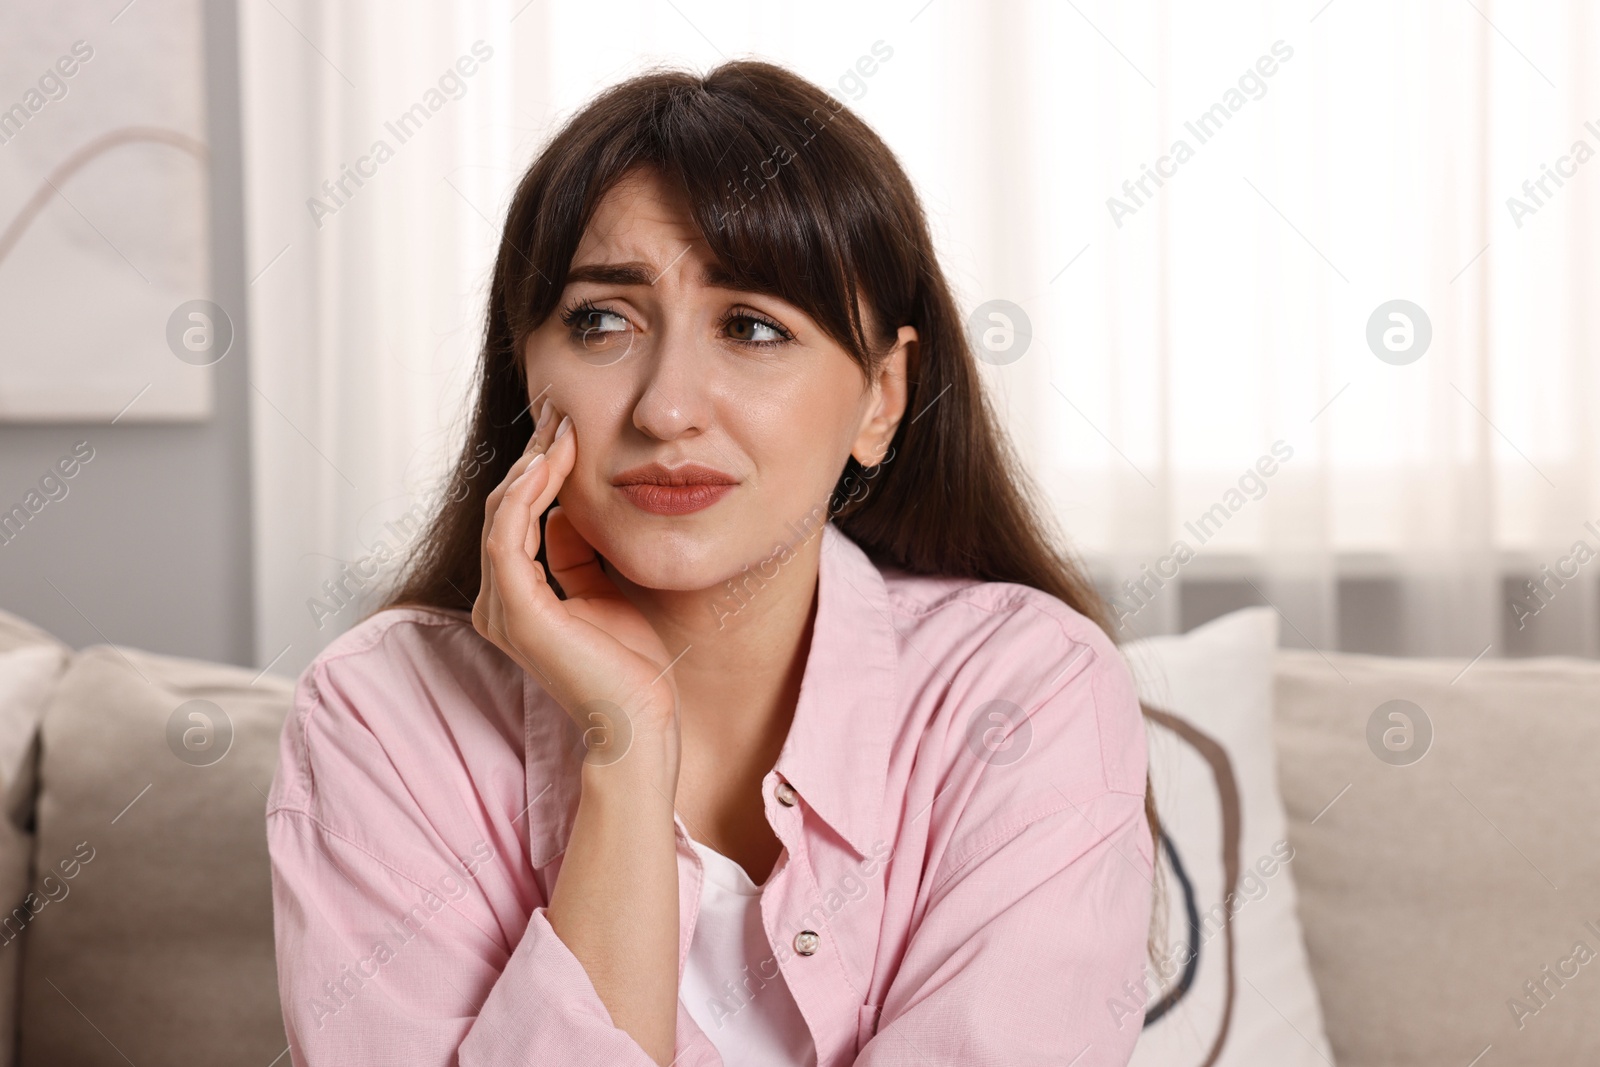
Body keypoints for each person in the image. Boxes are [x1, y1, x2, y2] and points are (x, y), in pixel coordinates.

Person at [266, 59, 1156, 1066]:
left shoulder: (1025, 690)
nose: (666, 406)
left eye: (752, 326)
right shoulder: (383, 713)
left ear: (882, 395)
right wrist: (627, 744)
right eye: (602, 321)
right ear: (527, 371)